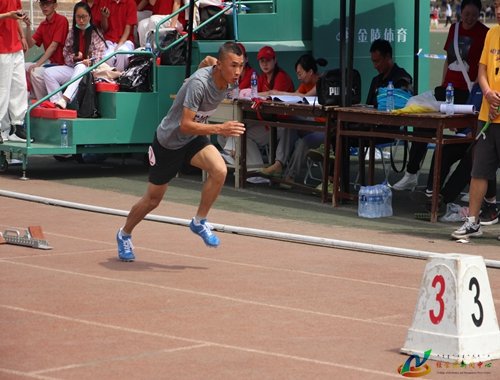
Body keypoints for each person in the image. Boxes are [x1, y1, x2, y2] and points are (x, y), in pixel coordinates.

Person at [116, 41, 245, 261]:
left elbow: (207, 61)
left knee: (219, 170)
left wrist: (204, 64)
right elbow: (185, 125)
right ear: (221, 65)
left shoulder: (224, 74)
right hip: (169, 142)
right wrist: (220, 128)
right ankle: (124, 233)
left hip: (193, 139)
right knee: (153, 199)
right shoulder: (199, 84)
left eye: (241, 65)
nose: (238, 71)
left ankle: (199, 222)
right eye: (233, 65)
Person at [393, 0, 487, 191]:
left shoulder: (485, 33)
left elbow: (482, 67)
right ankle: (411, 173)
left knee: (464, 142)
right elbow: (448, 60)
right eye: (466, 14)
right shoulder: (454, 29)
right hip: (448, 89)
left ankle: (464, 188)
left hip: (468, 94)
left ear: (479, 14)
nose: (469, 18)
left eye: (474, 15)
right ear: (461, 12)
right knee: (423, 125)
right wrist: (444, 84)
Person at [451, 1, 500, 240]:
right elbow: (481, 70)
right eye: (498, 6)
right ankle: (472, 221)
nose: (499, 10)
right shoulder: (492, 34)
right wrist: (488, 93)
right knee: (479, 170)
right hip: (486, 116)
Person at [225, 45, 294, 173]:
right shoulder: (261, 78)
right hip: (267, 122)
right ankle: (255, 171)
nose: (265, 64)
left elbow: (272, 94)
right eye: (262, 61)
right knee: (240, 132)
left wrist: (252, 94)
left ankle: (237, 159)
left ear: (275, 60)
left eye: (268, 60)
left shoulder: (280, 76)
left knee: (240, 131)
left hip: (282, 125)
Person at [261, 54, 328, 181]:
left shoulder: (321, 82)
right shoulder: (305, 84)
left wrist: (277, 93)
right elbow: (296, 95)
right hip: (312, 125)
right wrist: (274, 93)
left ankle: (290, 176)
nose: (298, 77)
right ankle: (279, 163)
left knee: (303, 142)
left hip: (324, 128)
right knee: (289, 123)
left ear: (310, 72)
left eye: (300, 74)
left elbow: (304, 97)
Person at [43, 1, 107, 109]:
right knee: (48, 73)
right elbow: (65, 53)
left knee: (82, 66)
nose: (81, 21)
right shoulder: (72, 32)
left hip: (89, 72)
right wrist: (74, 57)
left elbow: (99, 57)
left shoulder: (95, 33)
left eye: (84, 17)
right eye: (78, 17)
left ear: (89, 17)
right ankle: (56, 102)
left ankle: (65, 99)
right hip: (73, 68)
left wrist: (90, 61)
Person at [24, 0, 69, 103]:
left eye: (48, 4)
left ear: (55, 5)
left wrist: (38, 64)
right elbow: (30, 44)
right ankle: (33, 97)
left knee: (35, 72)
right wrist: (27, 26)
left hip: (62, 64)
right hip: (50, 64)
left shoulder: (62, 20)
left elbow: (53, 46)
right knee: (23, 67)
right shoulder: (43, 24)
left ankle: (44, 102)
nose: (45, 7)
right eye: (42, 4)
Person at [0, 0, 29, 143]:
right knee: (2, 91)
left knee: (20, 87)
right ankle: (1, 129)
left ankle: (17, 127)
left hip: (15, 46)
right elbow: (10, 15)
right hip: (1, 47)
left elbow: (15, 16)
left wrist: (22, 36)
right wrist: (7, 15)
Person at [100, 0, 137, 71]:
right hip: (109, 40)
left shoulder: (130, 3)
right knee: (107, 57)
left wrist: (118, 47)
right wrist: (104, 17)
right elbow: (104, 29)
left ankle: (120, 76)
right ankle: (111, 78)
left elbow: (128, 29)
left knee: (122, 54)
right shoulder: (105, 2)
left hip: (126, 41)